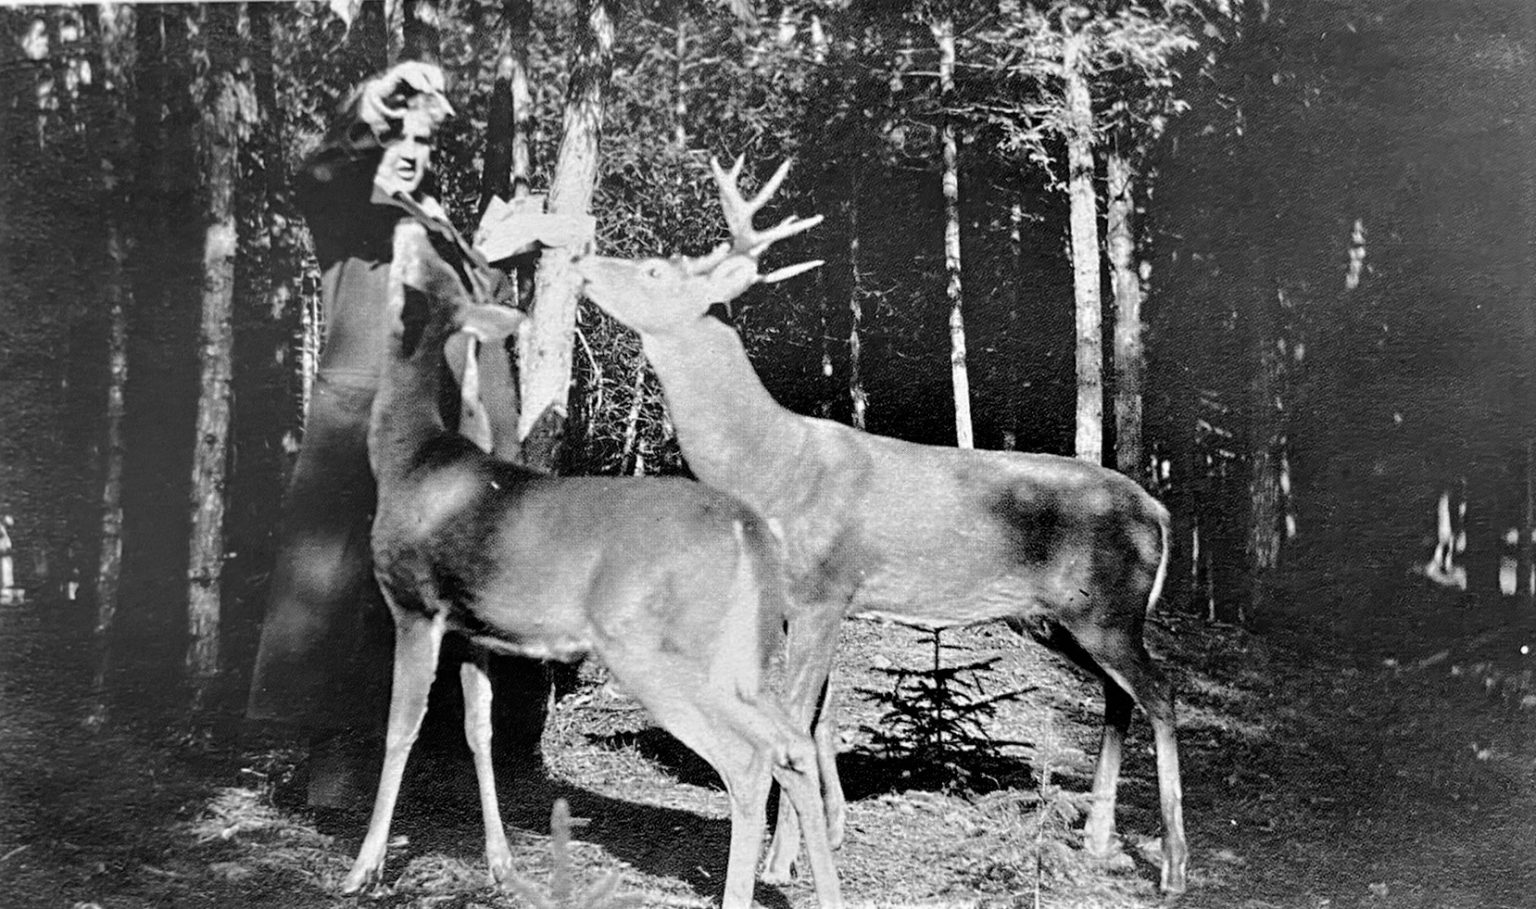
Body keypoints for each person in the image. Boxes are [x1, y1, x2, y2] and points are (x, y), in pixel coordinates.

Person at [246, 62, 535, 808]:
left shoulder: (432, 221)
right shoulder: (345, 212)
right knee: (335, 587)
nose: (412, 150)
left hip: (427, 426)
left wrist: (497, 258)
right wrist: (370, 106)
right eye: (397, 137)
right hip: (354, 421)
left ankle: (421, 758)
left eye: (422, 139)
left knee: (417, 584)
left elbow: (472, 310)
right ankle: (332, 772)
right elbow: (318, 170)